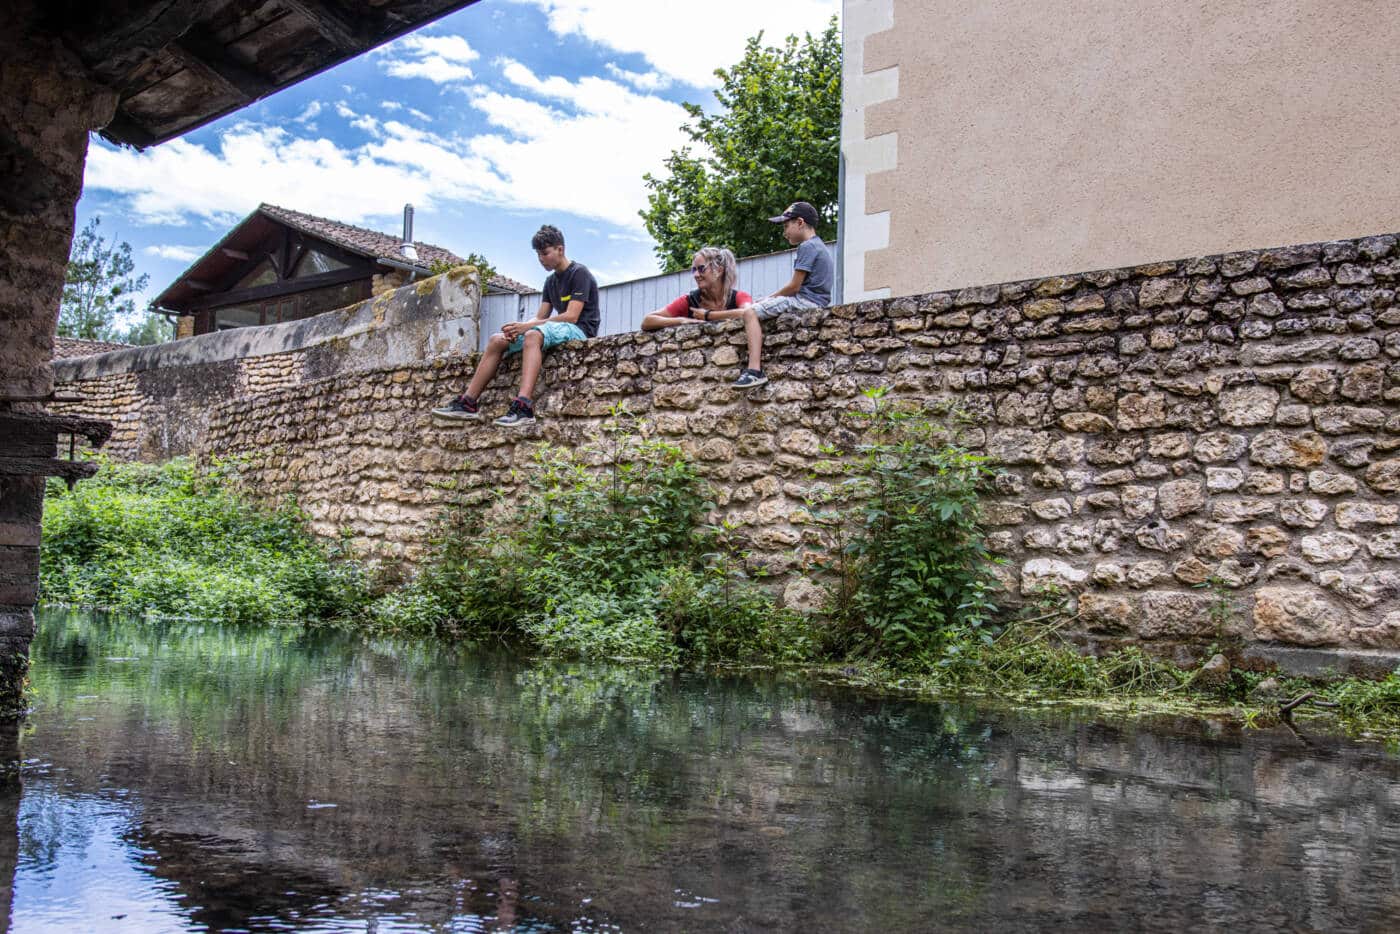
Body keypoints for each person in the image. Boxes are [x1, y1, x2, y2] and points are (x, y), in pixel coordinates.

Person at [431, 225, 599, 427]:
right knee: (496, 340)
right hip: (558, 327)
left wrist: (528, 328)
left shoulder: (579, 273)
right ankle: (468, 402)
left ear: (560, 250)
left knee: (533, 336)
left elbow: (571, 316)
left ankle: (524, 407)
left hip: (580, 329)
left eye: (545, 253)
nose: (541, 259)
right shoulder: (550, 282)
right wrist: (516, 328)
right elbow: (540, 316)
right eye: (538, 255)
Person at [705, 201, 833, 389]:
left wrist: (769, 298)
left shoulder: (807, 247)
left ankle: (754, 371)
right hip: (817, 302)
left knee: (750, 313)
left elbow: (794, 286)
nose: (784, 232)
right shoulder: (820, 246)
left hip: (805, 301)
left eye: (786, 225)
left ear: (800, 222)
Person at [639, 246, 752, 331]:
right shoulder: (690, 301)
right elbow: (647, 321)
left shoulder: (739, 297)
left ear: (719, 270)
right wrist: (682, 320)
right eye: (694, 270)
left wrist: (708, 315)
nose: (696, 275)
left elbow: (750, 312)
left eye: (701, 269)